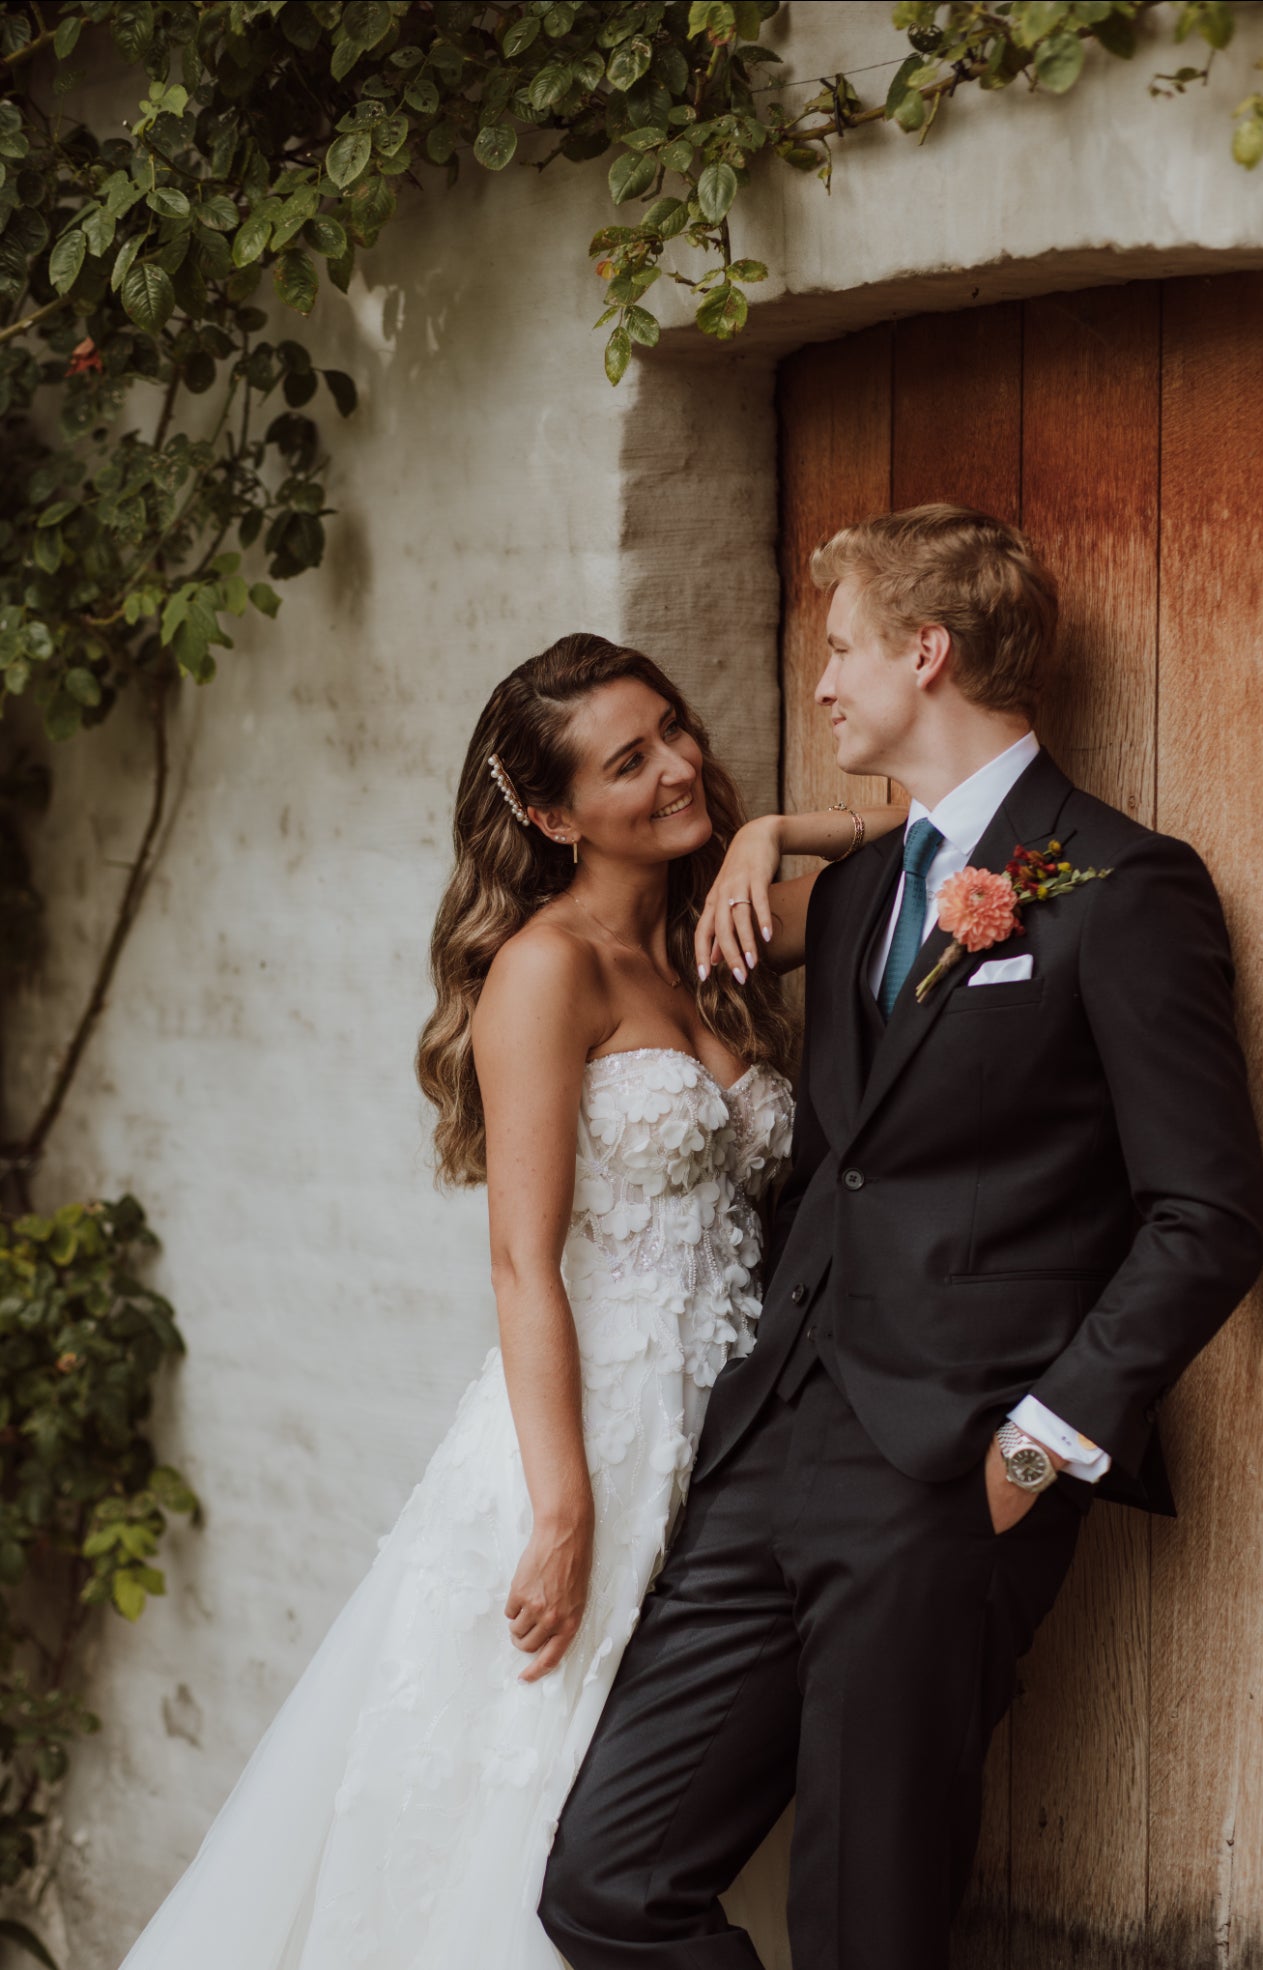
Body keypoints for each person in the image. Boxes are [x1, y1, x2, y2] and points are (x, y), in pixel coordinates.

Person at [538, 506, 1263, 1970]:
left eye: (843, 649)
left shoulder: (1122, 887)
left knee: (865, 1928)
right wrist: (766, 830)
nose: (820, 685)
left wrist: (1034, 1448)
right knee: (607, 1883)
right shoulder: (868, 885)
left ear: (925, 654)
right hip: (772, 1448)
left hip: (952, 1476)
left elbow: (1206, 1213)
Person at [115, 633, 904, 1970]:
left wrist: (772, 828)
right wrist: (562, 1505)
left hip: (736, 1433)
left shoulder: (725, 930)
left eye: (672, 730)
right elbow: (520, 1262)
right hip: (590, 1431)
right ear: (548, 814)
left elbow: (921, 848)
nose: (676, 766)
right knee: (526, 1815)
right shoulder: (546, 967)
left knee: (654, 1807)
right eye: (627, 759)